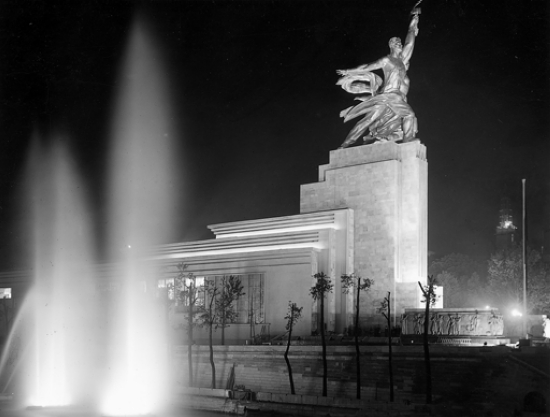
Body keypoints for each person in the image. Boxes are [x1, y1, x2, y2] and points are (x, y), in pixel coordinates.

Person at [336, 11, 420, 148]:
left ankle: (406, 139)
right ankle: (345, 144)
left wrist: (414, 22)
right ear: (391, 45)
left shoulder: (401, 61)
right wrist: (348, 71)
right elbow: (368, 67)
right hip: (389, 95)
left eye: (400, 42)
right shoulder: (387, 60)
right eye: (397, 43)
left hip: (394, 98)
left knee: (371, 120)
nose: (400, 44)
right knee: (371, 119)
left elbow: (410, 43)